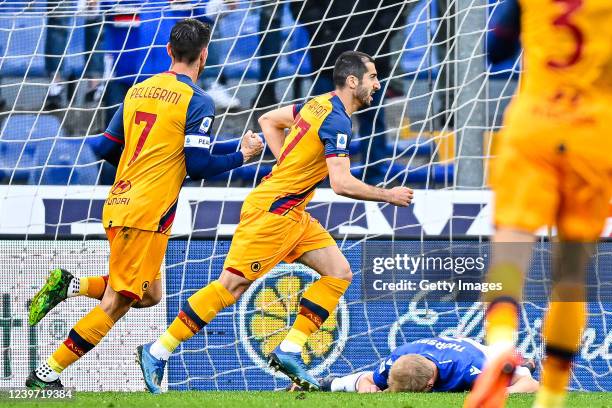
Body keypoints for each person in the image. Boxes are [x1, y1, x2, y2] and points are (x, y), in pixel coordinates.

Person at [136, 51, 414, 394]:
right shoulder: (338, 120)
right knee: (230, 287)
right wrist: (388, 195)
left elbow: (269, 119)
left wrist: (287, 162)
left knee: (339, 273)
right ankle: (156, 350)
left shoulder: (318, 104)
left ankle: (289, 349)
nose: (378, 83)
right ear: (353, 81)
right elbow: (341, 184)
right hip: (273, 213)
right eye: (372, 77)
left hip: (293, 213)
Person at [25, 18, 264, 389]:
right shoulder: (197, 101)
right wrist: (243, 158)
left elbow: (105, 147)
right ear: (204, 56)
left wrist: (229, 148)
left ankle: (70, 285)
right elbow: (198, 165)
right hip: (147, 213)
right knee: (118, 303)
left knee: (149, 295)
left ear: (169, 51)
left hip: (120, 200)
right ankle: (47, 373)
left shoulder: (138, 90)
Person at [465, 1, 612, 407]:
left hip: (533, 127)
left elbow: (496, 51)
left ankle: (499, 349)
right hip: (594, 134)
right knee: (570, 273)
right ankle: (550, 396)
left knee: (510, 246)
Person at [296, 336, 538, 394]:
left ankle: (524, 360)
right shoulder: (396, 360)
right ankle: (325, 382)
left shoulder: (473, 369)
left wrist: (501, 393)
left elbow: (532, 386)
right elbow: (370, 378)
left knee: (517, 370)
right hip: (434, 349)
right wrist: (365, 384)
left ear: (430, 384)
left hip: (481, 352)